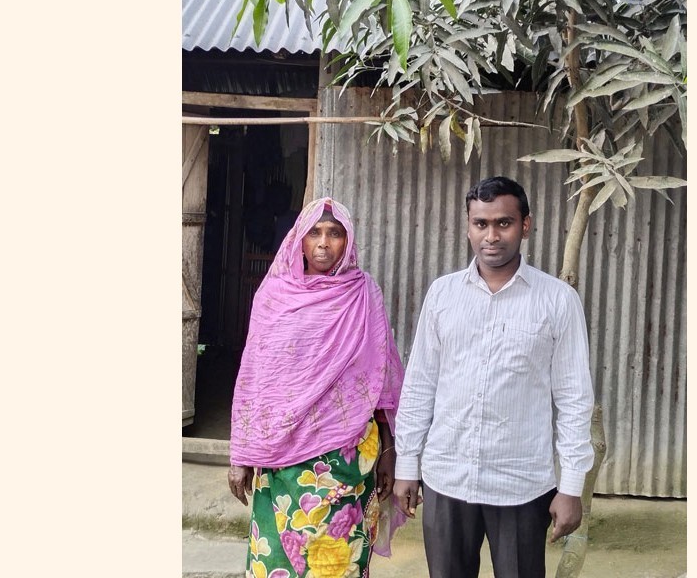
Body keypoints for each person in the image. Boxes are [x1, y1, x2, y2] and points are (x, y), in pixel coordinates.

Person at [393, 176, 595, 578]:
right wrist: (406, 467)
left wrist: (571, 486)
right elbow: (420, 385)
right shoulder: (443, 295)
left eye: (503, 223)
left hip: (520, 484)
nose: (491, 236)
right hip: (446, 476)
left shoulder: (557, 300)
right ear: (468, 226)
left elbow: (573, 398)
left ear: (526, 225)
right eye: (480, 223)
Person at [227, 197, 405, 578]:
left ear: (349, 241)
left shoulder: (363, 294)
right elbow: (255, 379)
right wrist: (241, 454)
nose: (324, 243)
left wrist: (390, 450)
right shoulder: (273, 296)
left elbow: (382, 377)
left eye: (335, 233)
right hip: (280, 456)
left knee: (337, 563)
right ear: (299, 240)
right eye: (315, 233)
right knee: (276, 560)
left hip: (346, 459)